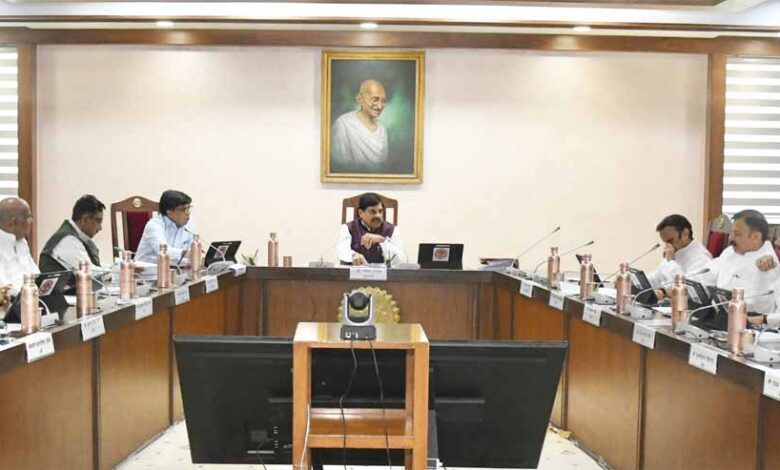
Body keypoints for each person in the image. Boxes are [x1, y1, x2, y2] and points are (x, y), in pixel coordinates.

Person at [698, 209, 780, 313]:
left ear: (756, 237)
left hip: (742, 319)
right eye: (731, 232)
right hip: (716, 313)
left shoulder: (767, 264)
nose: (730, 237)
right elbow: (706, 275)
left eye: (737, 234)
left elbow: (761, 309)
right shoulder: (730, 251)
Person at [331, 79, 389, 172]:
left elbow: (384, 164)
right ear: (360, 99)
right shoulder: (343, 124)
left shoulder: (382, 128)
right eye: (375, 100)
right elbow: (339, 165)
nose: (380, 106)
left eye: (383, 101)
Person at [39, 194, 106, 273]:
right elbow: (90, 272)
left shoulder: (73, 236)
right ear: (84, 219)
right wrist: (116, 272)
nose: (100, 228)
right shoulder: (68, 240)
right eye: (98, 221)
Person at [336, 192, 407, 266]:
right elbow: (341, 252)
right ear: (360, 213)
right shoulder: (349, 228)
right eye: (373, 212)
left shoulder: (392, 230)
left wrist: (382, 241)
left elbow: (402, 260)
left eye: (380, 211)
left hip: (384, 273)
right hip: (356, 272)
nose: (378, 215)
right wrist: (353, 255)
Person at [646, 214, 712, 289]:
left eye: (670, 241)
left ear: (685, 235)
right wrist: (639, 283)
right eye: (665, 242)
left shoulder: (701, 257)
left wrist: (671, 262)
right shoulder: (675, 251)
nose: (667, 246)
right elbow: (657, 276)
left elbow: (687, 289)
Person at [134, 190, 196, 264]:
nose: (188, 213)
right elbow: (163, 251)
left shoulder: (189, 222)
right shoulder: (154, 225)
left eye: (189, 208)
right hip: (145, 269)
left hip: (175, 268)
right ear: (169, 212)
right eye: (183, 209)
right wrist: (185, 253)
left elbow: (192, 251)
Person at [0, 197, 39, 300]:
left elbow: (36, 275)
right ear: (14, 221)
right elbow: (4, 287)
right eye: (28, 217)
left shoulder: (21, 241)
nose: (32, 221)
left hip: (29, 299)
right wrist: (30, 293)